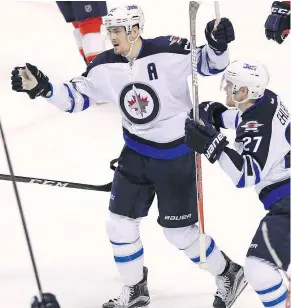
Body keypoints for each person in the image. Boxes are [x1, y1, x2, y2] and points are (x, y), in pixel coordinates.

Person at [11, 5, 246, 308]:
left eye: (116, 31)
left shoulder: (168, 50)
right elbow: (75, 97)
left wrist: (218, 43)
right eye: (109, 31)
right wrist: (42, 88)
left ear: (135, 30)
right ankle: (135, 287)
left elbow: (209, 64)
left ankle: (230, 273)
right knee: (119, 224)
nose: (111, 37)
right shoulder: (104, 66)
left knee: (180, 234)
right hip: (135, 154)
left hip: (176, 156)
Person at [185, 60, 290, 308]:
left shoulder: (257, 126)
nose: (225, 89)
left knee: (259, 269)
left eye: (230, 85)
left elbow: (246, 175)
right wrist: (219, 116)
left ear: (244, 91)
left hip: (287, 206)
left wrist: (214, 145)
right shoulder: (267, 100)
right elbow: (246, 118)